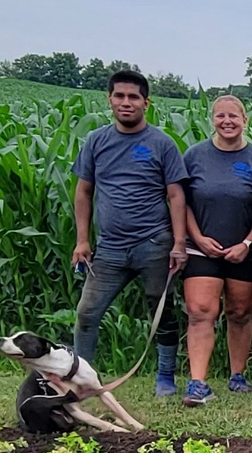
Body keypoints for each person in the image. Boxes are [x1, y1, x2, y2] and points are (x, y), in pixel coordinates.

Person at [70, 69, 188, 396]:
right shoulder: (96, 141)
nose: (126, 102)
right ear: (109, 100)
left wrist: (179, 243)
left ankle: (165, 377)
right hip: (109, 249)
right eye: (119, 96)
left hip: (154, 243)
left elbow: (177, 195)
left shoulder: (161, 144)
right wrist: (82, 240)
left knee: (160, 310)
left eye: (133, 97)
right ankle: (83, 380)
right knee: (87, 313)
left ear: (146, 103)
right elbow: (84, 192)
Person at [176, 94, 252, 405]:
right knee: (201, 311)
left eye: (233, 116)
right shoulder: (195, 156)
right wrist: (197, 238)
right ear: (211, 120)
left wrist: (247, 243)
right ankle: (198, 383)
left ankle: (237, 376)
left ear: (245, 120)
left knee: (239, 312)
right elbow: (181, 202)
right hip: (203, 249)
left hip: (245, 250)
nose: (227, 122)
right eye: (220, 116)